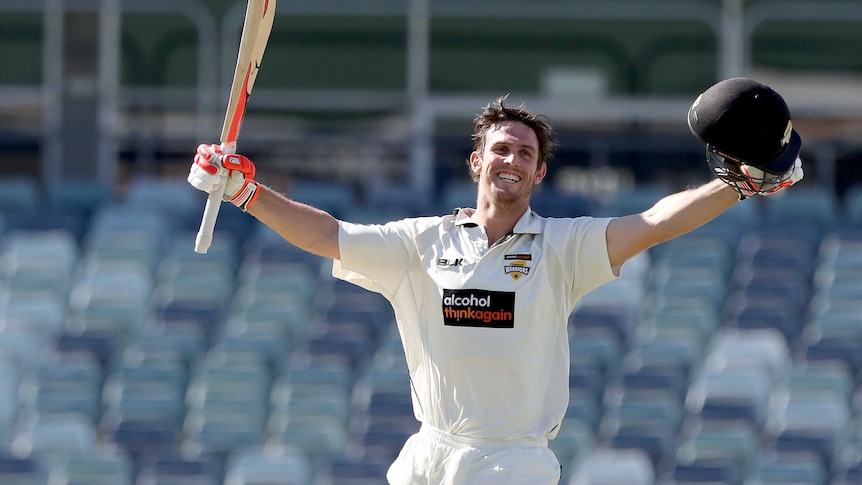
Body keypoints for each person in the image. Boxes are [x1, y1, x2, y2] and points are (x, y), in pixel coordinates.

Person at [187, 77, 804, 484]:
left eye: (526, 154)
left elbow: (651, 223)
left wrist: (739, 184)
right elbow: (327, 235)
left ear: (538, 175)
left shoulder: (563, 248)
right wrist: (246, 191)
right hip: (429, 456)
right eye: (501, 149)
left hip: (513, 461)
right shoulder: (419, 242)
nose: (512, 159)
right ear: (477, 161)